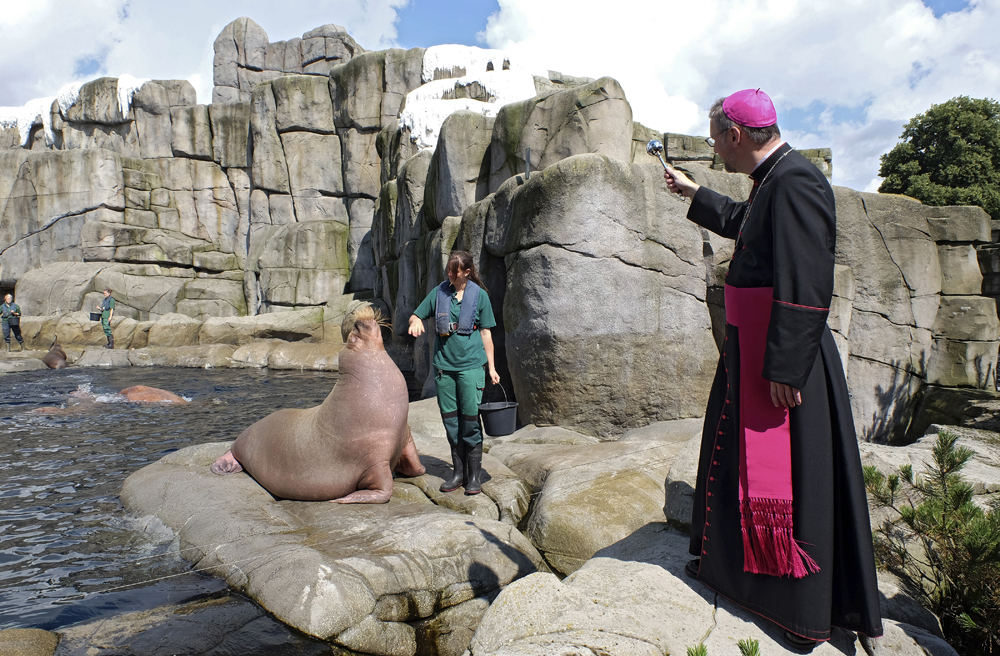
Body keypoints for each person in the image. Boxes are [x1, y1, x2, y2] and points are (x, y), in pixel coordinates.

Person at [662, 89, 883, 649]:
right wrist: (697, 194)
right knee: (739, 463)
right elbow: (746, 224)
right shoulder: (772, 180)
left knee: (790, 478)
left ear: (736, 134)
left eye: (716, 140)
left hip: (782, 360)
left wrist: (785, 368)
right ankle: (741, 577)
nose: (715, 151)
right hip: (754, 347)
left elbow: (808, 284)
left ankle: (796, 606)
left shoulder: (797, 181)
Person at [408, 251, 500, 495]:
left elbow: (486, 334)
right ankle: (458, 474)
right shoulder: (440, 293)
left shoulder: (479, 296)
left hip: (470, 368)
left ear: (466, 272)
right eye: (448, 270)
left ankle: (474, 477)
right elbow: (416, 313)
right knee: (451, 422)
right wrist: (415, 320)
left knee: (470, 422)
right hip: (444, 370)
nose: (449, 274)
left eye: (454, 271)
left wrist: (491, 368)